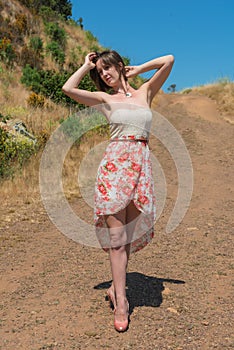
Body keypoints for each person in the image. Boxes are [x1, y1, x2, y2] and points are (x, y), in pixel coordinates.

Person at [62, 50, 174, 332]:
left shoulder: (146, 92)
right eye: (99, 72)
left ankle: (115, 287)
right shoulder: (105, 100)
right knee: (116, 236)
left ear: (119, 66)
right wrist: (85, 65)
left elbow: (169, 60)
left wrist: (136, 72)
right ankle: (122, 302)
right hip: (114, 169)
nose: (104, 74)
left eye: (107, 68)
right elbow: (68, 89)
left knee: (127, 237)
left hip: (141, 168)